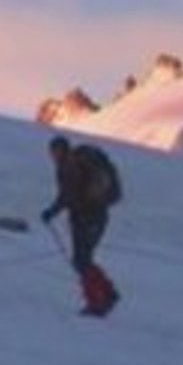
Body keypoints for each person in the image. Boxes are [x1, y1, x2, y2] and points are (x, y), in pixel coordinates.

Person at [41, 135, 121, 316]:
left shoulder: (69, 167)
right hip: (97, 215)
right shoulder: (78, 163)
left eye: (53, 152)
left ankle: (97, 301)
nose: (51, 156)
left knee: (81, 261)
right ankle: (107, 292)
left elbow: (67, 196)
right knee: (84, 259)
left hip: (85, 217)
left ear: (58, 151)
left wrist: (51, 212)